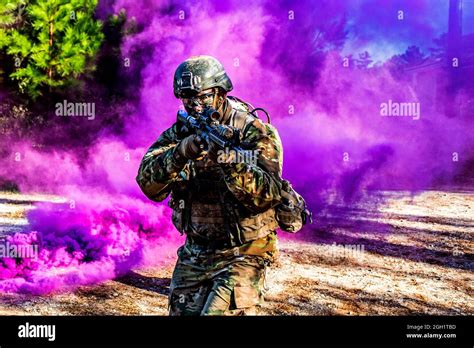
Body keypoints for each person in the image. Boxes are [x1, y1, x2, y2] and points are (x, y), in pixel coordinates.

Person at [136, 55, 284, 315]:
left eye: (203, 97)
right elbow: (148, 184)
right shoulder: (181, 132)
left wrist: (229, 161)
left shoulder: (253, 130)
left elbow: (269, 194)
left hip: (244, 251)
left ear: (220, 93)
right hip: (197, 250)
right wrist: (181, 152)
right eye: (188, 99)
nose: (195, 106)